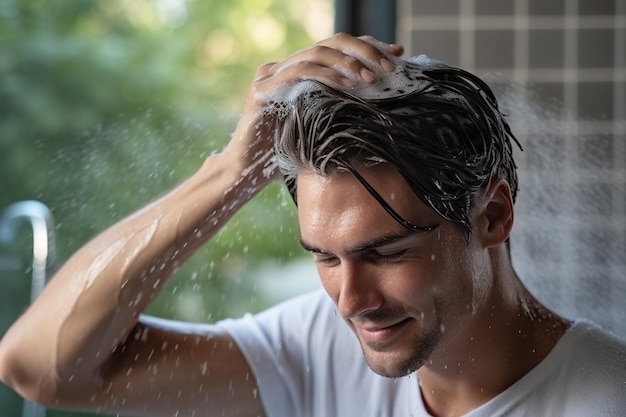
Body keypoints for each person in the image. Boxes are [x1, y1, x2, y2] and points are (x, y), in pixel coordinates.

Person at [0, 33, 625, 417]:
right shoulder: (320, 351)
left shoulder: (605, 399)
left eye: (386, 252)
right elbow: (40, 367)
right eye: (324, 258)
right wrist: (231, 174)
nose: (352, 302)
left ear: (492, 216)